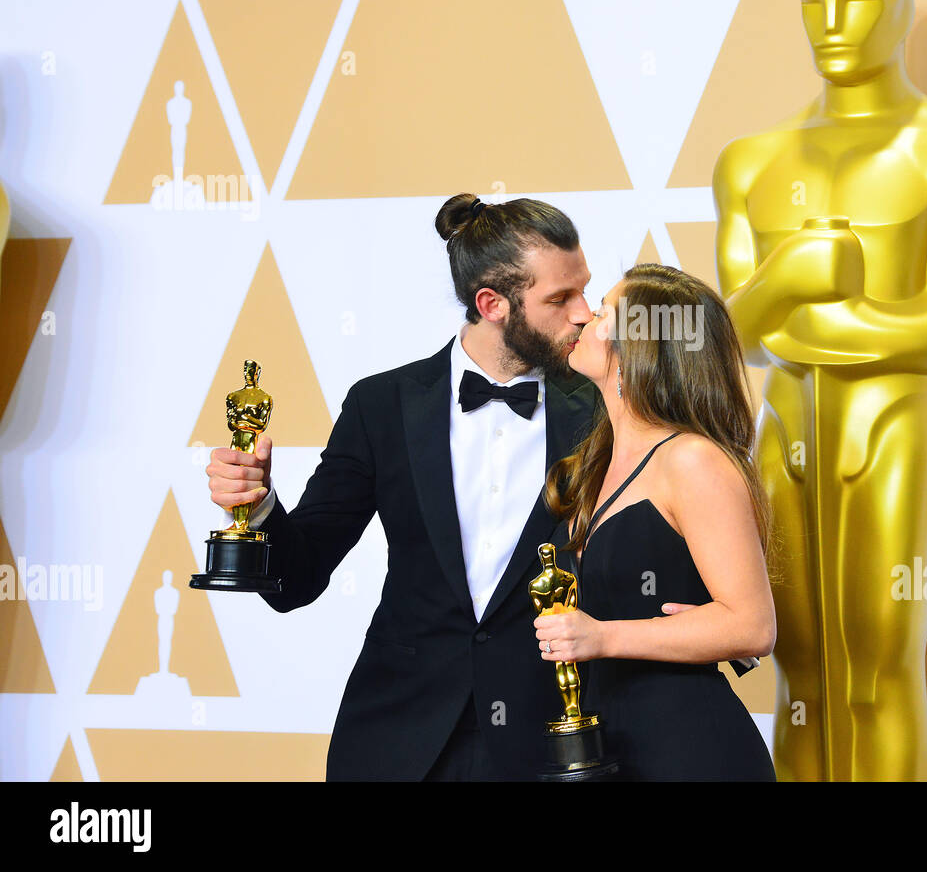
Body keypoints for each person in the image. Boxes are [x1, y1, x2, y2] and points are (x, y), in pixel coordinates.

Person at [205, 192, 599, 780]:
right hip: (398, 740)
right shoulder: (382, 405)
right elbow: (299, 576)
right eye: (560, 298)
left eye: (584, 290)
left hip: (549, 740)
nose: (585, 313)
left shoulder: (601, 408)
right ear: (491, 303)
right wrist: (258, 508)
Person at [535, 263, 778, 780]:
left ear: (641, 348)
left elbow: (753, 626)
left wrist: (602, 637)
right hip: (618, 745)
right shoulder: (600, 457)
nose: (584, 320)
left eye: (602, 312)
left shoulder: (691, 459)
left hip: (688, 751)